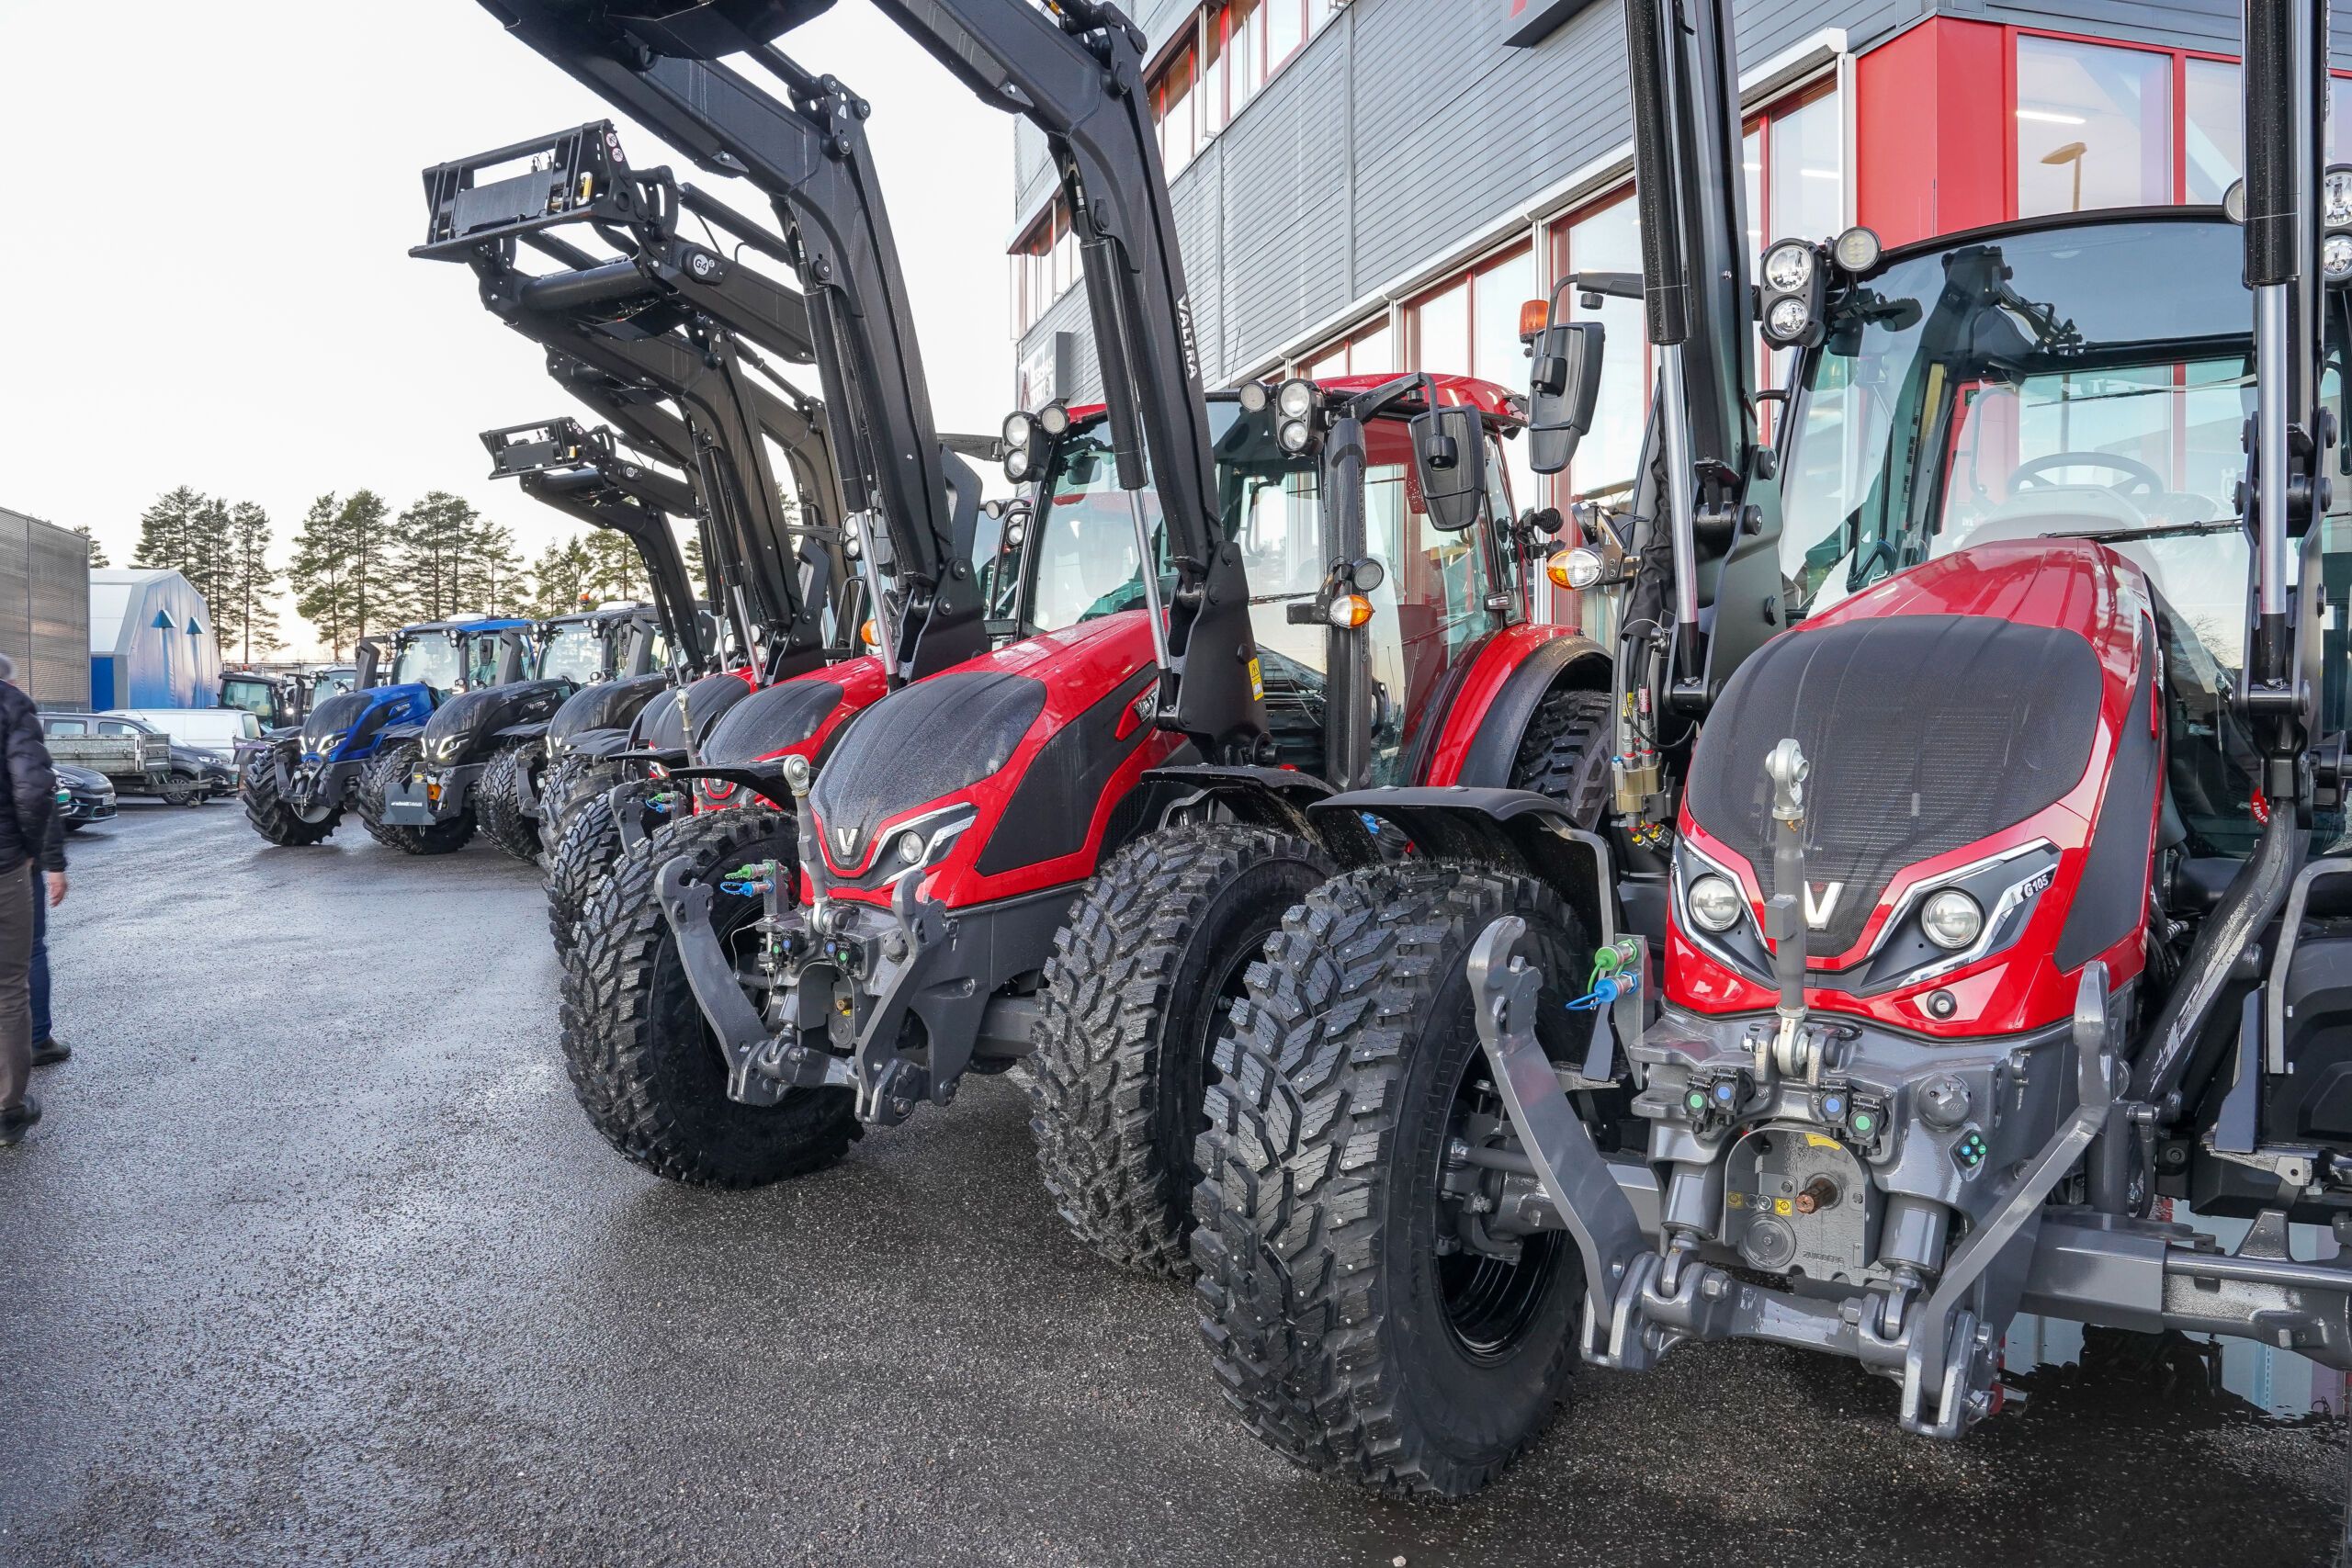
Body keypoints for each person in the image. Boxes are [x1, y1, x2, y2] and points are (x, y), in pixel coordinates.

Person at [0, 650, 56, 1146]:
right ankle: (7, 1109)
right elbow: (34, 791)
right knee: (9, 985)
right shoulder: (11, 705)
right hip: (3, 867)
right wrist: (34, 854)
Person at [30, 782, 67, 1066]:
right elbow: (40, 802)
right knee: (30, 953)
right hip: (12, 868)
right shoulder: (18, 739)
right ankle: (37, 1040)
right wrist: (54, 866)